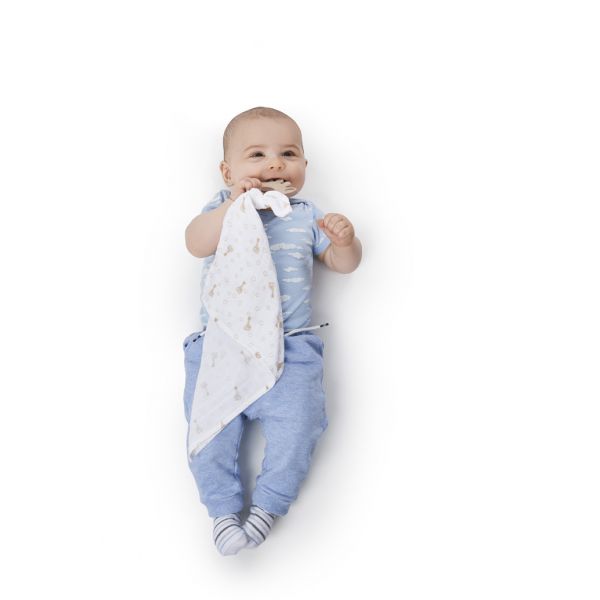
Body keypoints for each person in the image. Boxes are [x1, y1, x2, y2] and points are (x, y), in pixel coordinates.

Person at [183, 107, 362, 555]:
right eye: (257, 155)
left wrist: (345, 242)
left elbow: (342, 264)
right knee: (209, 433)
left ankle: (268, 506)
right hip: (223, 346)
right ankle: (222, 512)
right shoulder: (222, 209)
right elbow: (196, 243)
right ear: (228, 172)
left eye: (289, 154)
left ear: (304, 166)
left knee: (301, 425)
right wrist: (231, 204)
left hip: (290, 347)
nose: (275, 164)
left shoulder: (306, 214)